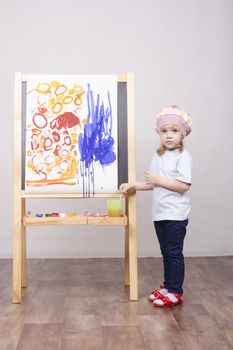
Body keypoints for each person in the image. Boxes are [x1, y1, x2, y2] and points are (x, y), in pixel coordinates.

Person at [119, 105, 192, 308]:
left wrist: (158, 179)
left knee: (174, 252)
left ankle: (176, 291)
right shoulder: (158, 156)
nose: (169, 135)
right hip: (160, 214)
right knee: (166, 252)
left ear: (182, 134)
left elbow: (183, 186)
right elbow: (152, 183)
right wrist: (133, 184)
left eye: (174, 130)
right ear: (159, 132)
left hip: (176, 214)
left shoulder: (183, 157)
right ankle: (168, 286)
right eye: (164, 131)